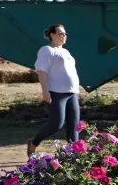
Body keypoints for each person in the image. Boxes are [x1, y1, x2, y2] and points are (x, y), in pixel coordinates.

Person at [28, 23, 81, 157]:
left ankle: (72, 155)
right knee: (56, 124)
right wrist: (45, 90)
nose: (64, 36)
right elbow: (41, 70)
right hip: (56, 92)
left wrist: (76, 90)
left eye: (65, 34)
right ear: (52, 35)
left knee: (75, 126)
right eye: (60, 33)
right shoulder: (46, 50)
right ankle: (33, 143)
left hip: (72, 93)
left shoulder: (66, 52)